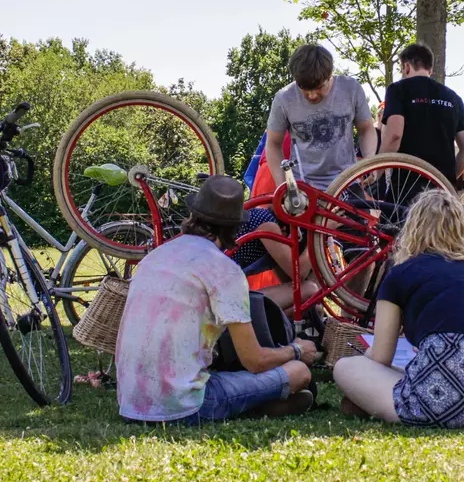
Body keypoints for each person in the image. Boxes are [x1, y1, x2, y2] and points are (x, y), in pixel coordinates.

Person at [116, 175, 319, 424]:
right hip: (184, 406)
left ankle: (256, 401)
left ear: (194, 215)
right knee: (298, 372)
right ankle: (255, 403)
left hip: (130, 403)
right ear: (235, 228)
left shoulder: (156, 256)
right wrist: (297, 350)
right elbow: (254, 361)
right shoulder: (223, 269)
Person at [333, 190, 464, 427]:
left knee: (346, 366)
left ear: (414, 226)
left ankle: (370, 402)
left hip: (437, 401)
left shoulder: (399, 275)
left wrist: (364, 368)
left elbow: (381, 356)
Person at [266, 44, 377, 191]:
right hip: (304, 186)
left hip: (347, 182)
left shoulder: (351, 89)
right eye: (304, 89)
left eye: (319, 87)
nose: (312, 95)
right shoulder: (284, 98)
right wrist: (284, 188)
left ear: (330, 75)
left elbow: (366, 129)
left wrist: (370, 161)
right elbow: (273, 143)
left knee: (361, 214)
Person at [379, 43, 464, 186]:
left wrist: (376, 171)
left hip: (406, 187)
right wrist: (445, 180)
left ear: (406, 67)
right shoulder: (454, 98)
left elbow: (394, 136)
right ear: (430, 68)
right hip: (441, 191)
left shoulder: (398, 89)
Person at [230, 206, 319, 315]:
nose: (299, 235)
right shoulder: (267, 224)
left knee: (312, 304)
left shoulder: (264, 217)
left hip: (223, 295)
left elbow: (290, 281)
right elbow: (298, 273)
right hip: (222, 300)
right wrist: (317, 235)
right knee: (310, 290)